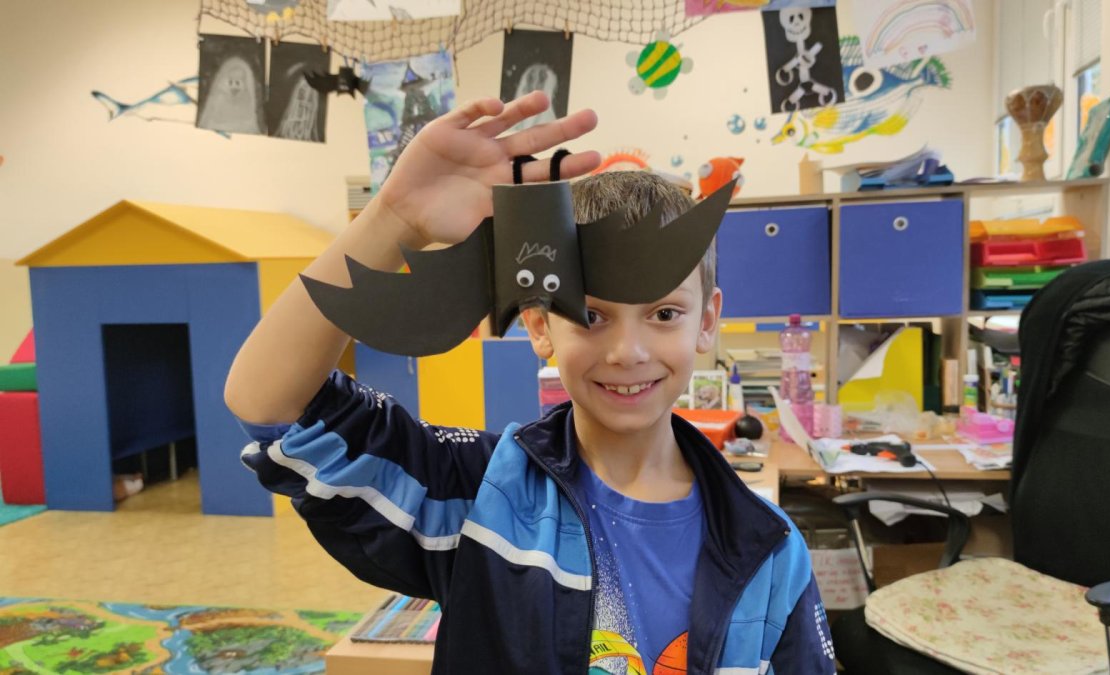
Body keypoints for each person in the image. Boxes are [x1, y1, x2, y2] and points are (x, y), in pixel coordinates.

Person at [225, 90, 836, 674]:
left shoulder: (769, 547)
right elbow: (271, 407)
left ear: (706, 322)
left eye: (664, 314)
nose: (627, 352)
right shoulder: (481, 497)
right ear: (541, 326)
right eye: (590, 315)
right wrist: (394, 218)